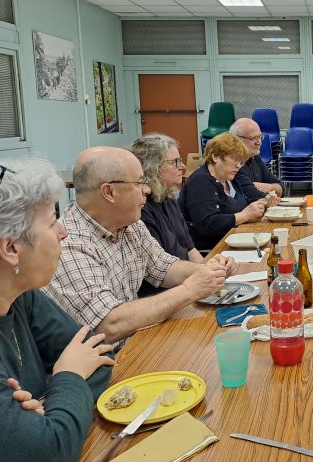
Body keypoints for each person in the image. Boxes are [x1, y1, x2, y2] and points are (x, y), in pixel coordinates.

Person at [0, 158, 114, 462]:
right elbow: (44, 458)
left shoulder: (19, 296)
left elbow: (101, 358)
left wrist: (49, 401)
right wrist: (69, 376)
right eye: (52, 221)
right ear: (10, 248)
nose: (64, 231)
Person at [45, 147, 236, 345]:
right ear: (109, 192)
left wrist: (210, 270)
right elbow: (107, 325)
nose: (147, 189)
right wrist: (190, 290)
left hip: (137, 342)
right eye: (140, 182)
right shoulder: (70, 245)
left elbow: (164, 268)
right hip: (107, 364)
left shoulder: (129, 225)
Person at [179, 132, 267, 250]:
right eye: (234, 159)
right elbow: (208, 224)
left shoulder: (230, 180)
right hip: (212, 250)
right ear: (215, 156)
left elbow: (243, 206)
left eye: (240, 161)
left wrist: (259, 206)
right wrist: (244, 215)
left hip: (234, 242)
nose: (238, 166)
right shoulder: (200, 181)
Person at [129, 133, 202, 262]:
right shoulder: (141, 210)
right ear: (152, 167)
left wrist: (210, 270)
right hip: (174, 280)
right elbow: (162, 269)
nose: (183, 167)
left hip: (189, 275)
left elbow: (190, 248)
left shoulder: (169, 198)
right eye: (175, 162)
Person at [229, 118, 282, 204]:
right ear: (237, 139)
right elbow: (252, 195)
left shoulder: (255, 158)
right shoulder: (234, 163)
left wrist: (269, 187)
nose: (259, 142)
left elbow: (280, 187)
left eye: (260, 137)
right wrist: (271, 194)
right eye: (253, 138)